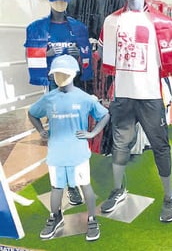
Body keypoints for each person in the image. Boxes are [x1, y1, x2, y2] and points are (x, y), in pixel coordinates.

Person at [98, 0, 172, 223]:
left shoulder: (160, 21)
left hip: (150, 95)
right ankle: (118, 189)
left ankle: (169, 197)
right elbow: (102, 54)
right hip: (123, 94)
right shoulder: (111, 21)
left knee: (160, 146)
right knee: (120, 146)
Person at [24, 0, 94, 205]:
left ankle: (75, 183)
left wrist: (77, 55)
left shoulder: (77, 27)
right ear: (49, 0)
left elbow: (85, 59)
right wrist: (45, 53)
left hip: (74, 87)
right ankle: (65, 185)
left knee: (75, 134)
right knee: (58, 137)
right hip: (54, 89)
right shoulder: (38, 28)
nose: (60, 3)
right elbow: (32, 58)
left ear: (68, 0)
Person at [28, 55, 110, 241]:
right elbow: (32, 113)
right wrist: (41, 130)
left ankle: (92, 219)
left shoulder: (84, 98)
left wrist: (92, 133)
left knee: (85, 186)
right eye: (56, 73)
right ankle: (55, 217)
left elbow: (104, 115)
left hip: (78, 153)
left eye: (64, 73)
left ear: (74, 74)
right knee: (56, 188)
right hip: (56, 153)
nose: (60, 77)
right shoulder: (49, 98)